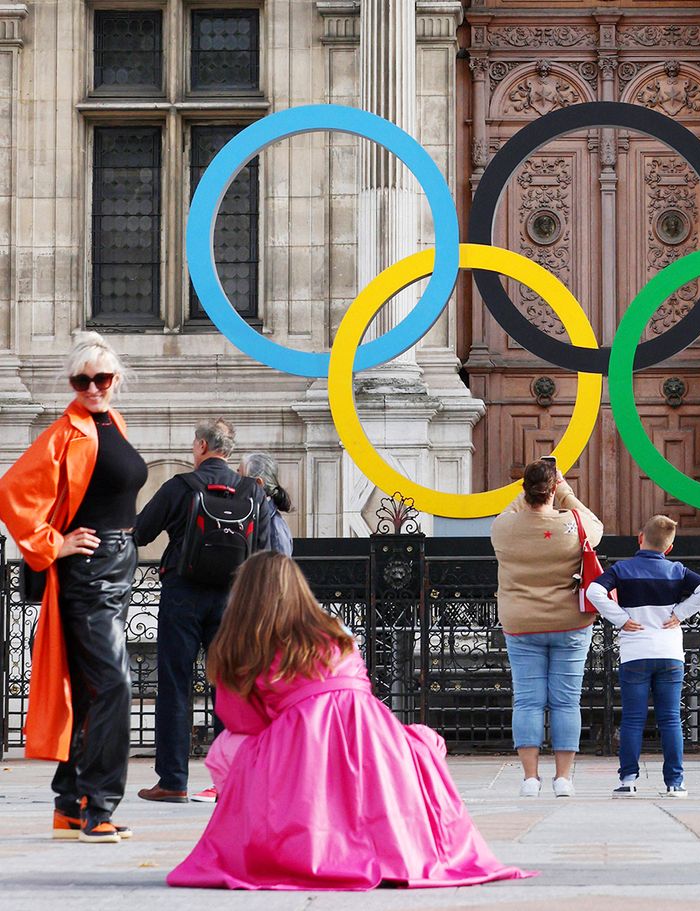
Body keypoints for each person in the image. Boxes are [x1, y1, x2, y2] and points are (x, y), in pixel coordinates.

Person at [167, 551, 530, 889]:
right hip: (374, 735)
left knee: (228, 749)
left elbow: (239, 720)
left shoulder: (244, 644)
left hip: (302, 740)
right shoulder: (336, 632)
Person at [0, 332, 147, 843]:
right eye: (81, 380)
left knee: (90, 691)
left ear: (115, 380)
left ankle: (68, 805)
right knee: (115, 686)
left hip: (118, 566)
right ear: (72, 383)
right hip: (88, 571)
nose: (92, 387)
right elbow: (12, 490)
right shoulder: (65, 433)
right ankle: (98, 807)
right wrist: (52, 543)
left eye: (101, 378)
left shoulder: (112, 424)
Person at [135, 418, 268, 803]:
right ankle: (229, 781)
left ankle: (173, 781)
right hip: (230, 598)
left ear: (200, 447)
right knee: (227, 688)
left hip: (182, 594)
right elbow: (258, 550)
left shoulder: (180, 487)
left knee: (175, 685)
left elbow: (142, 531)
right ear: (228, 450)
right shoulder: (252, 491)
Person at [490, 459, 603, 798]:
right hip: (570, 622)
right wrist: (564, 491)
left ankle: (529, 779)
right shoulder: (576, 525)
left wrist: (529, 491)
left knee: (527, 701)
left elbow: (511, 510)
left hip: (522, 623)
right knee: (566, 701)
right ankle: (564, 779)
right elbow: (595, 522)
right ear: (553, 489)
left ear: (524, 490)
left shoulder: (504, 528)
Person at [586, 515, 700, 798]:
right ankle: (675, 782)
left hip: (635, 652)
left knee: (633, 718)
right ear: (668, 548)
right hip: (670, 652)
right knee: (670, 719)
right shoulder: (677, 570)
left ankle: (628, 780)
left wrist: (620, 619)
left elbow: (594, 590)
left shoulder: (623, 568)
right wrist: (679, 613)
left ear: (640, 537)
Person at [239, 452, 293, 556]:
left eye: (240, 475)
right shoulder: (255, 517)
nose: (236, 480)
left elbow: (281, 571)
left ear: (258, 483)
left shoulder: (275, 529)